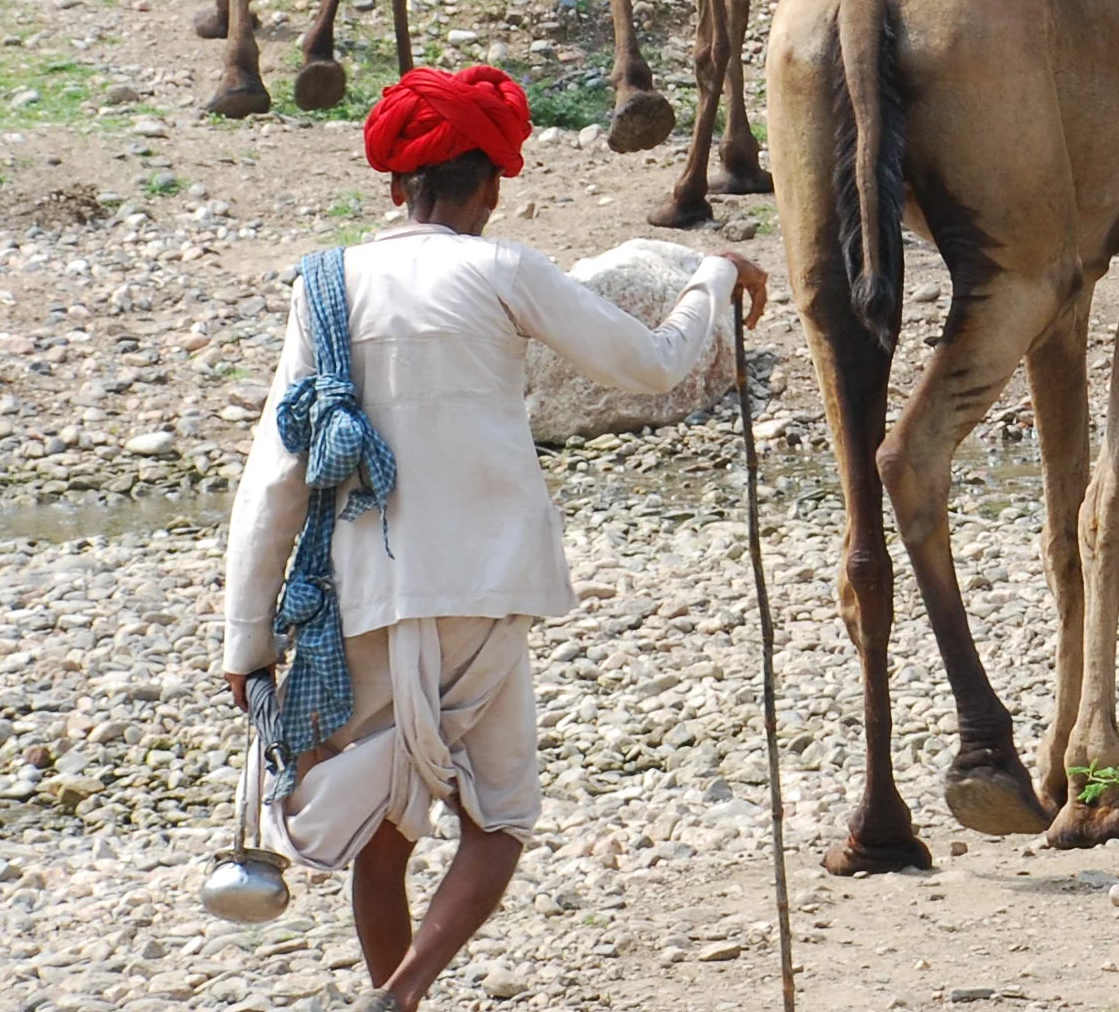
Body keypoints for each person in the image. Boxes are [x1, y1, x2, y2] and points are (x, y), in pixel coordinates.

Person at [218, 64, 769, 1012]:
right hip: (486, 587)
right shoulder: (504, 270)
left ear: (397, 185)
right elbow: (650, 366)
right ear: (494, 187)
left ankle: (398, 997)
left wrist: (246, 639)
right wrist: (712, 277)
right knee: (499, 819)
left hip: (362, 597)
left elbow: (274, 474)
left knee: (387, 832)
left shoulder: (327, 288)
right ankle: (403, 994)